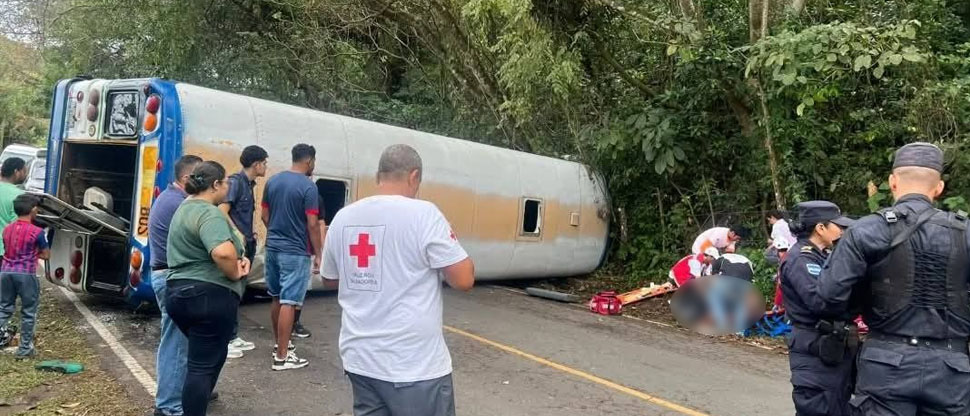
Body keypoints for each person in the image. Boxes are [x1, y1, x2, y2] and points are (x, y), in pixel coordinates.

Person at [322, 144, 475, 416]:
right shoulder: (424, 214)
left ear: (379, 175)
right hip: (412, 365)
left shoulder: (344, 217)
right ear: (414, 176)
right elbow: (463, 279)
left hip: (360, 359)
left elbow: (330, 279)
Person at [818, 142, 970, 415]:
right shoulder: (965, 233)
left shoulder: (867, 230)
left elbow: (830, 295)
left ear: (892, 182)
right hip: (952, 368)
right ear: (939, 188)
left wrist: (863, 302)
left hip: (886, 363)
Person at [165, 161, 249, 416]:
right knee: (201, 367)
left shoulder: (184, 207)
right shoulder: (208, 212)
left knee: (208, 359)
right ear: (215, 185)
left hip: (179, 293)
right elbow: (223, 253)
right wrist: (236, 270)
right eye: (225, 183)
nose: (227, 187)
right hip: (208, 295)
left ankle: (195, 405)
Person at [780, 201, 856, 416]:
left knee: (838, 406)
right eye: (837, 226)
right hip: (813, 346)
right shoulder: (801, 259)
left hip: (831, 347)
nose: (842, 231)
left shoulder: (823, 256)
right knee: (819, 407)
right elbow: (821, 302)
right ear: (820, 228)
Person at [148, 155, 203, 416]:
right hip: (171, 278)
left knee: (180, 342)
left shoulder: (170, 198)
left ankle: (181, 393)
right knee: (176, 345)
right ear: (186, 179)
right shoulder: (180, 204)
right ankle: (169, 406)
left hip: (166, 275)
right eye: (201, 177)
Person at [262, 144, 322, 370]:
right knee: (290, 301)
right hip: (295, 251)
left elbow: (265, 215)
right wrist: (318, 253)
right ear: (309, 161)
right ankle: (282, 357)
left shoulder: (273, 181)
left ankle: (280, 344)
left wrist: (277, 231)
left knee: (276, 297)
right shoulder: (309, 187)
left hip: (273, 248)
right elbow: (313, 224)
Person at [219, 145, 268, 358]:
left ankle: (233, 334)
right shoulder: (236, 183)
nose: (266, 166)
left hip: (247, 244)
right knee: (230, 292)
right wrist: (238, 234)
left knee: (239, 291)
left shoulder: (249, 185)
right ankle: (226, 339)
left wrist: (250, 235)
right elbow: (222, 211)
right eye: (265, 162)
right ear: (256, 164)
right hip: (237, 247)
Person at [0, 194, 49, 358]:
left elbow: (8, 248)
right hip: (26, 274)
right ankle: (25, 350)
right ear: (33, 210)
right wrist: (34, 253)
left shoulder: (7, 229)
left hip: (5, 271)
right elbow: (46, 255)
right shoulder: (37, 232)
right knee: (28, 311)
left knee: (4, 309)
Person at [0, 157, 28, 258]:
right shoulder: (19, 195)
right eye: (24, 171)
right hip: (5, 250)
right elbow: (18, 226)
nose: (26, 175)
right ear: (16, 172)